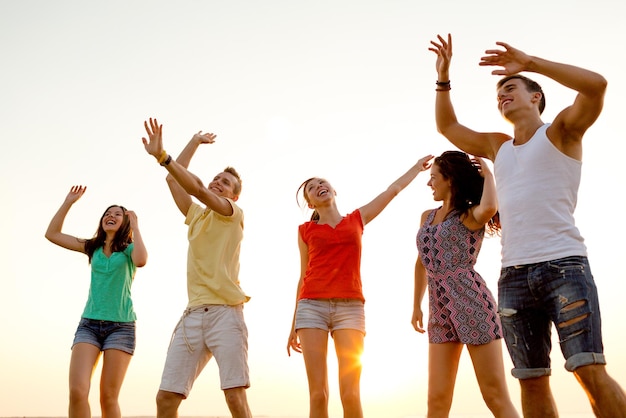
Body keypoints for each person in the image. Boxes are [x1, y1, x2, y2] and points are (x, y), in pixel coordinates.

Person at [429, 34, 626, 417]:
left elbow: (597, 85)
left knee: (588, 369)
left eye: (511, 87)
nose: (502, 94)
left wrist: (531, 63)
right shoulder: (497, 146)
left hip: (564, 267)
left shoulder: (562, 132)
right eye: (498, 92)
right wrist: (443, 77)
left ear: (536, 96)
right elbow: (447, 125)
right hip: (513, 278)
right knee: (531, 379)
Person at [287, 154, 434, 418]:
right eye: (311, 187)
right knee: (318, 394)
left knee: (351, 394)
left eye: (323, 182)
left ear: (333, 190)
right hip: (311, 308)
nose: (318, 185)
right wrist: (292, 324)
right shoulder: (305, 231)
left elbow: (393, 191)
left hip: (350, 308)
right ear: (310, 201)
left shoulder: (356, 219)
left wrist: (415, 168)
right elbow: (302, 275)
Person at [141, 117, 252, 418]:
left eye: (225, 182)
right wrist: (193, 142)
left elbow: (200, 190)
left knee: (235, 399)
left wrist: (164, 157)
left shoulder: (232, 213)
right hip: (193, 315)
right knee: (165, 399)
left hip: (226, 314)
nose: (218, 182)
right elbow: (173, 181)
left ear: (234, 195)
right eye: (216, 178)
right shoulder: (196, 216)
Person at [412, 151, 519, 418]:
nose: (429, 183)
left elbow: (490, 208)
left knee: (494, 395)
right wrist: (416, 305)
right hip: (440, 311)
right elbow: (421, 262)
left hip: (472, 304)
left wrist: (489, 175)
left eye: (433, 177)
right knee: (436, 400)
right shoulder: (426, 216)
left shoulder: (469, 215)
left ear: (450, 179)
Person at [45, 185, 148, 418]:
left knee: (108, 397)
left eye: (117, 214)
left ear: (125, 222)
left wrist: (137, 227)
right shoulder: (92, 247)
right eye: (107, 214)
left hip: (121, 327)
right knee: (77, 391)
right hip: (89, 325)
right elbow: (52, 234)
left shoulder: (130, 250)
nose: (111, 216)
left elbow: (141, 260)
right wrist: (68, 202)